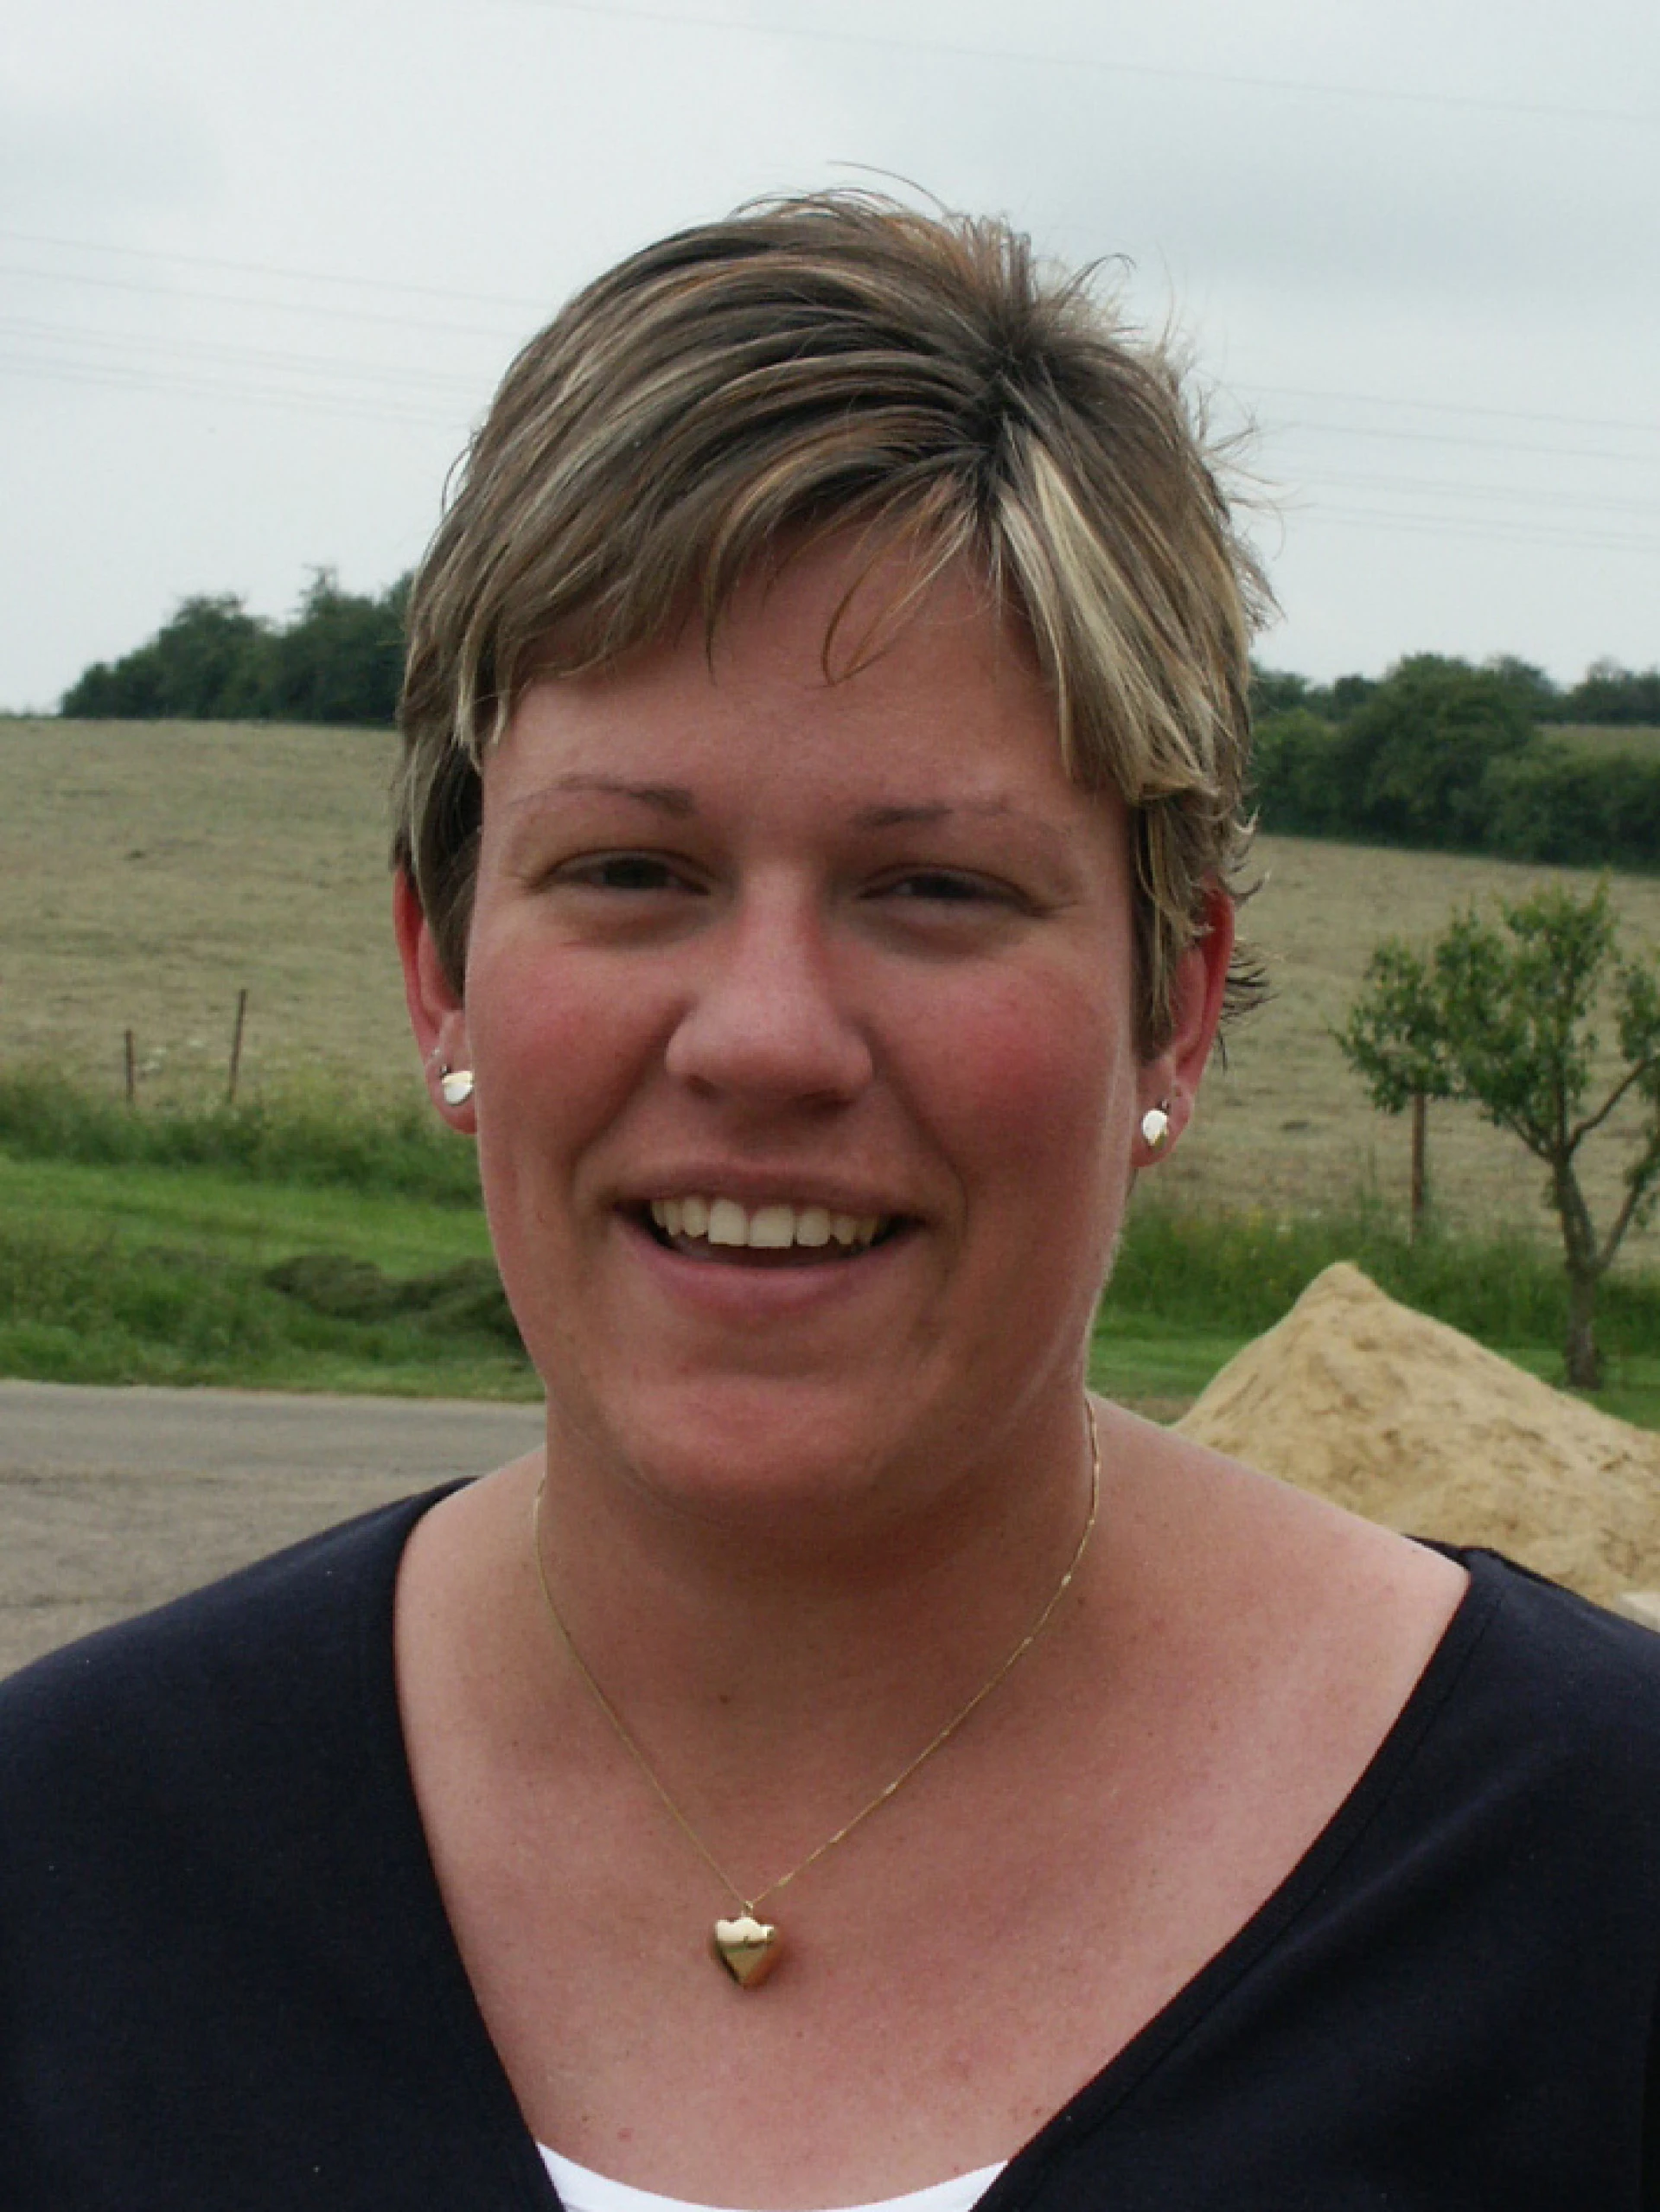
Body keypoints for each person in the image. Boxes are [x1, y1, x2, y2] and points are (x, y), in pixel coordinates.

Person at [3, 193, 1658, 2211]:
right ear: (443, 967)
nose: (765, 1038)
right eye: (630, 870)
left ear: (1177, 998)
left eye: (934, 888)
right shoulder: (62, 1870)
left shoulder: (1600, 1882)